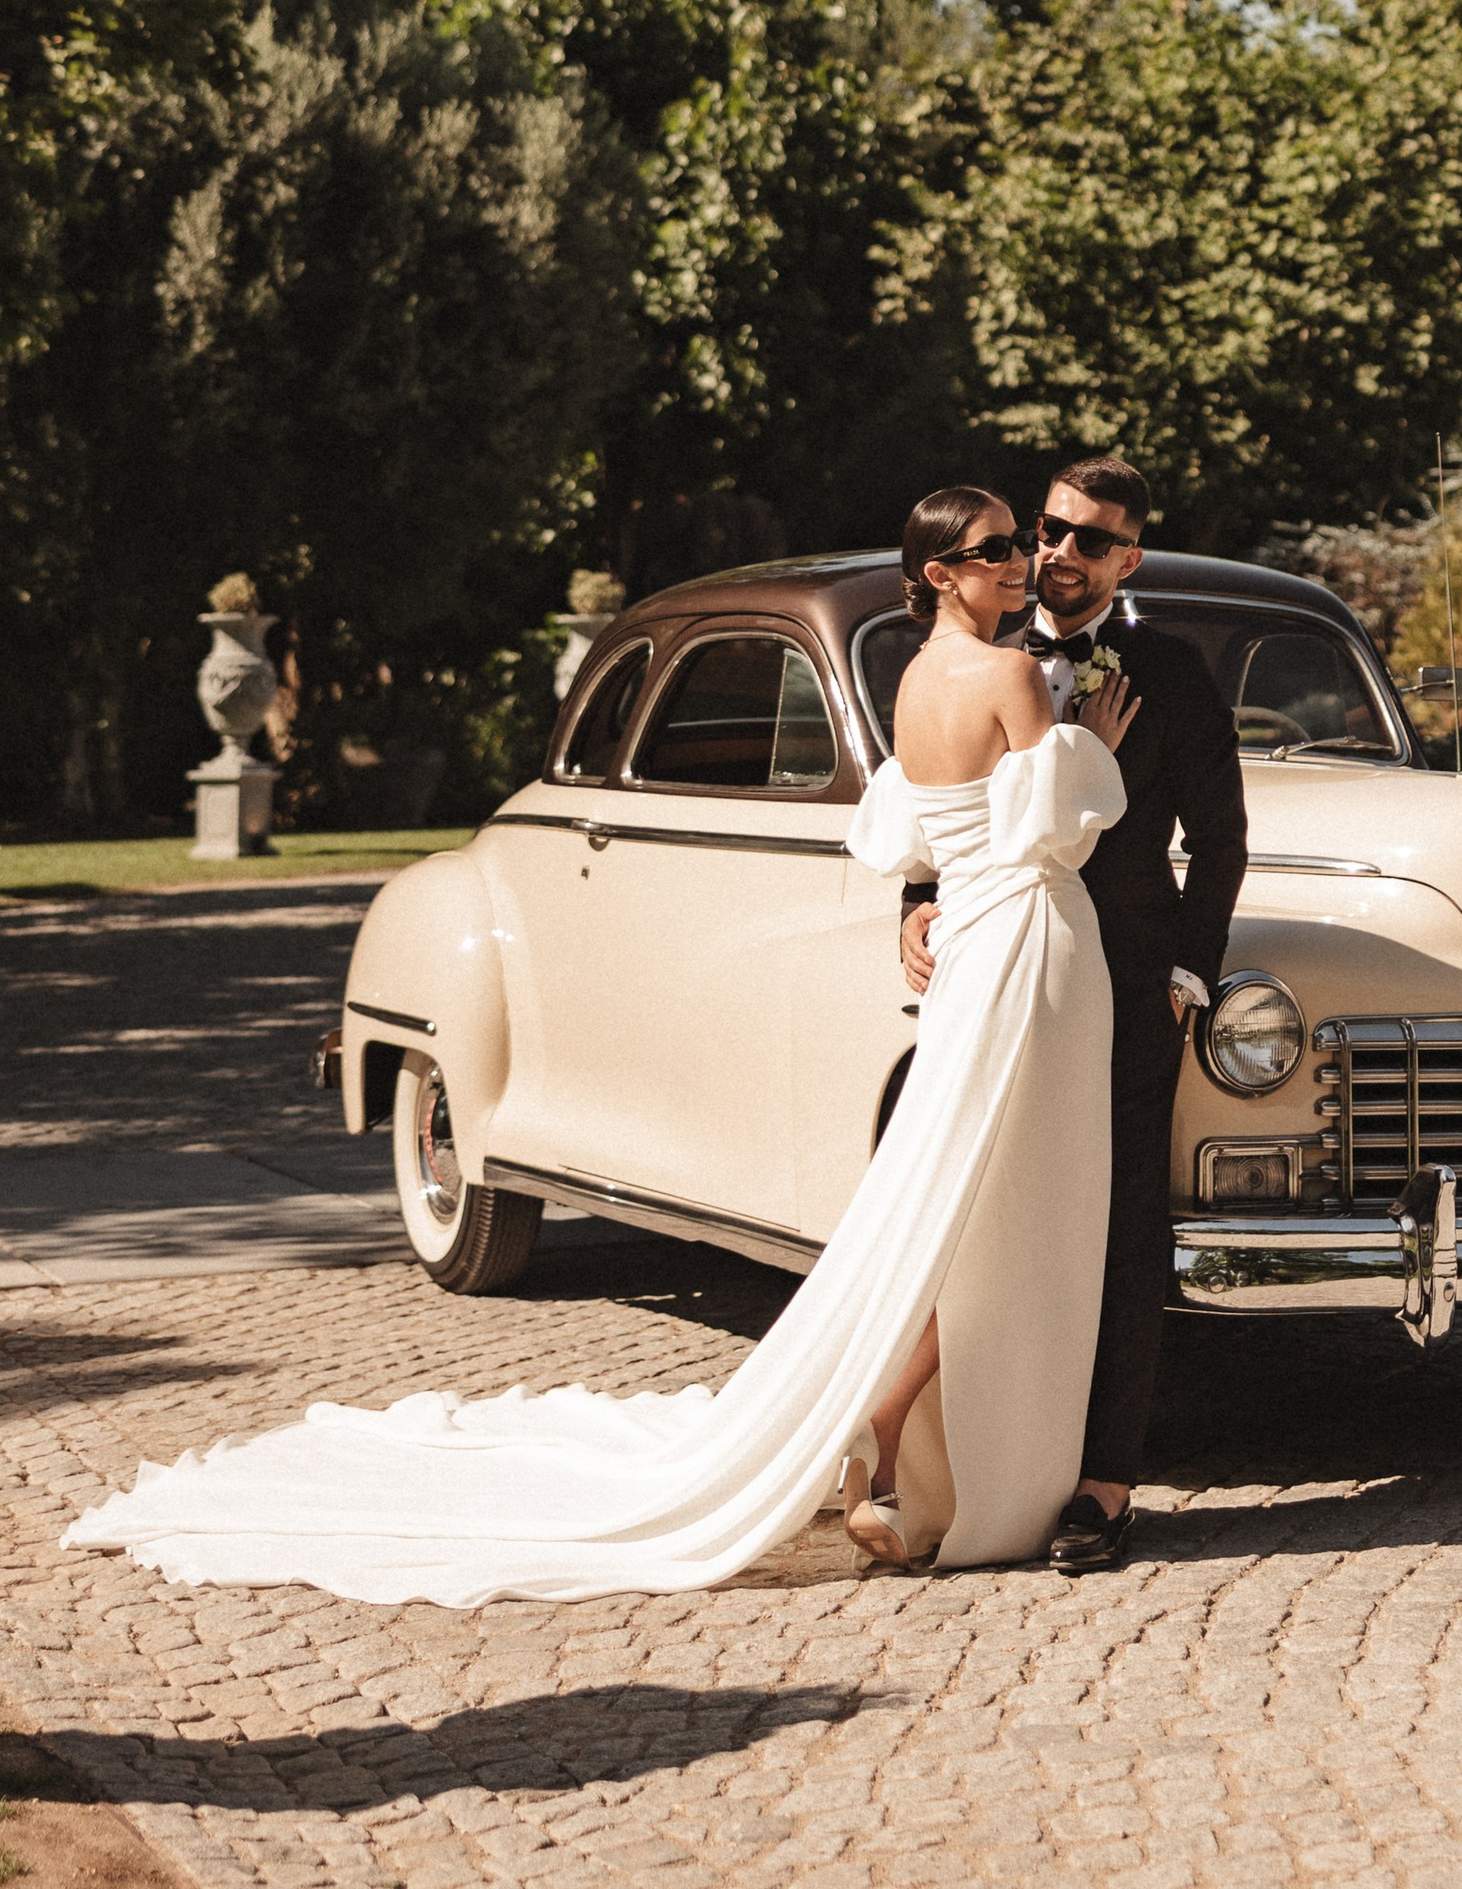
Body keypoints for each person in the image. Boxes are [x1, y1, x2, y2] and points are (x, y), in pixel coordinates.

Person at [63, 487, 1134, 1602]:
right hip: (1026, 938)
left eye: (1021, 545)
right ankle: (889, 1412)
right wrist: (1087, 743)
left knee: (951, 1205)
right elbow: (1060, 825)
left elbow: (914, 827)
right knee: (1000, 1213)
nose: (1021, 562)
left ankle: (885, 1413)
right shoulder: (1008, 676)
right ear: (940, 574)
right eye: (995, 550)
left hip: (973, 939)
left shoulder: (911, 679)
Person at [899, 451, 1247, 1574]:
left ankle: (1101, 1480)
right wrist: (916, 898)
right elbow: (941, 803)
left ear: (1127, 558)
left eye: (1088, 539)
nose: (1056, 553)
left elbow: (1222, 838)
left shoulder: (1172, 670)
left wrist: (1192, 974)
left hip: (1127, 974)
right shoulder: (983, 663)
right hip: (1004, 961)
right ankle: (970, 1457)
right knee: (981, 1208)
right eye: (1046, 530)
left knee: (1122, 1218)